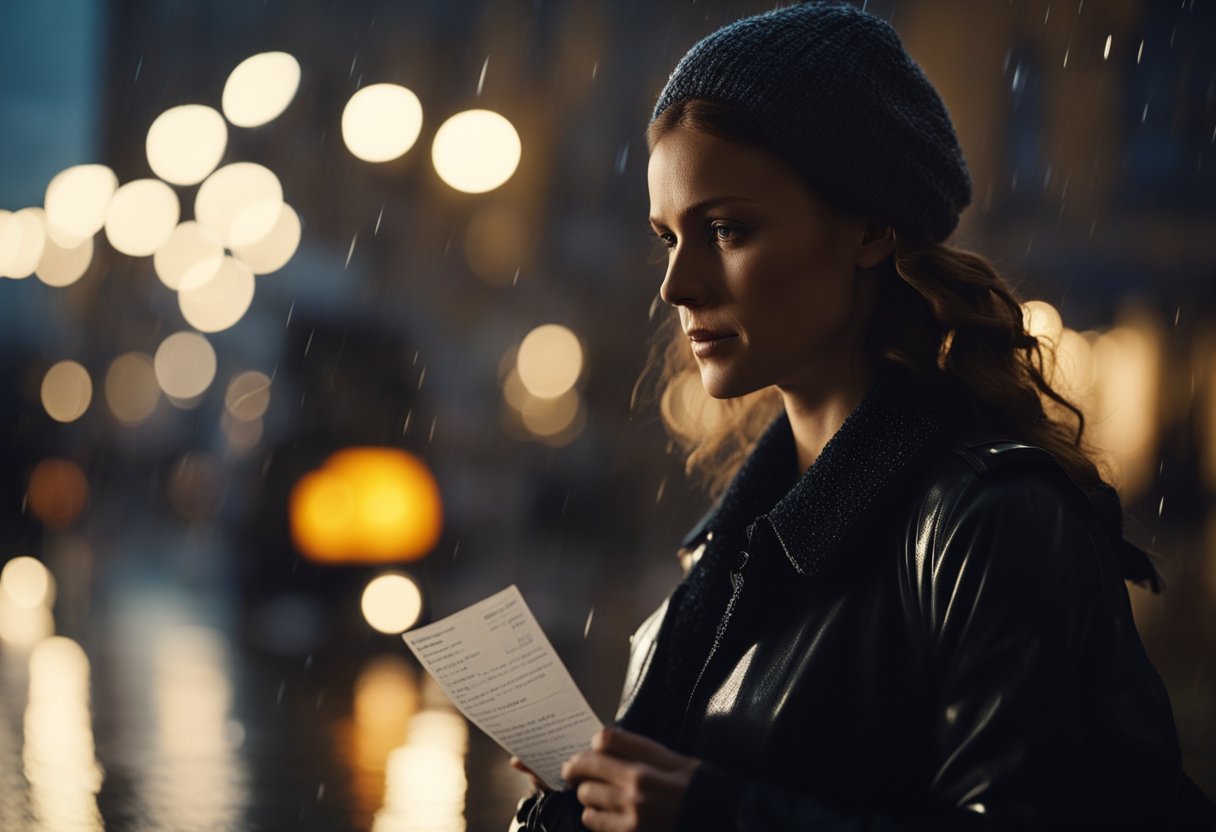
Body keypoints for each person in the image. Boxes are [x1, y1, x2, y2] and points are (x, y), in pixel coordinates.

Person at [510, 3, 1215, 830]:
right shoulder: (730, 550)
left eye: (726, 228)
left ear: (872, 228)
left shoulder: (992, 522)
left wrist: (712, 816)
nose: (677, 284)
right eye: (668, 237)